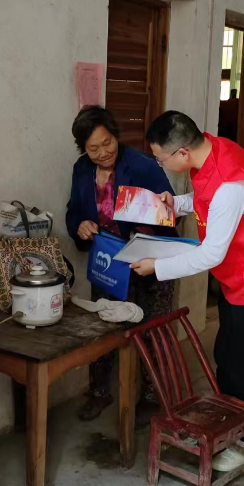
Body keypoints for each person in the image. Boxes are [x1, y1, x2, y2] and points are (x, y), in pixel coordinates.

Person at [130, 111, 244, 472]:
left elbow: (210, 254)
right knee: (227, 354)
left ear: (183, 152)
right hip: (238, 275)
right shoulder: (213, 149)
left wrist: (157, 267)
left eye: (161, 159)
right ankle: (228, 424)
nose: (160, 164)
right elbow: (206, 196)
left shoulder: (231, 186)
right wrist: (177, 203)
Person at [66, 106, 177, 423]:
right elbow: (74, 209)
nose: (103, 153)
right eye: (93, 148)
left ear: (116, 135)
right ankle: (100, 392)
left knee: (151, 330)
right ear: (83, 149)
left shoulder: (142, 166)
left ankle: (152, 398)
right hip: (108, 262)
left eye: (107, 143)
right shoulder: (81, 170)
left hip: (149, 260)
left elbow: (169, 212)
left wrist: (145, 229)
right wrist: (80, 225)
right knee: (103, 326)